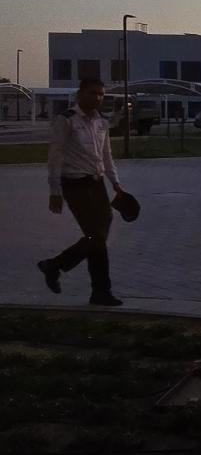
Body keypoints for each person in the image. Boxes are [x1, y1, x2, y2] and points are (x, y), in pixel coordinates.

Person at [38, 77, 124, 307]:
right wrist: (55, 191)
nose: (97, 97)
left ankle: (56, 265)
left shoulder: (101, 121)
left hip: (97, 183)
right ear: (80, 94)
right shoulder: (66, 120)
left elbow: (106, 156)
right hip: (74, 184)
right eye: (92, 93)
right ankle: (101, 291)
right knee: (96, 236)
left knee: (98, 236)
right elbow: (55, 156)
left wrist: (115, 183)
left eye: (101, 94)